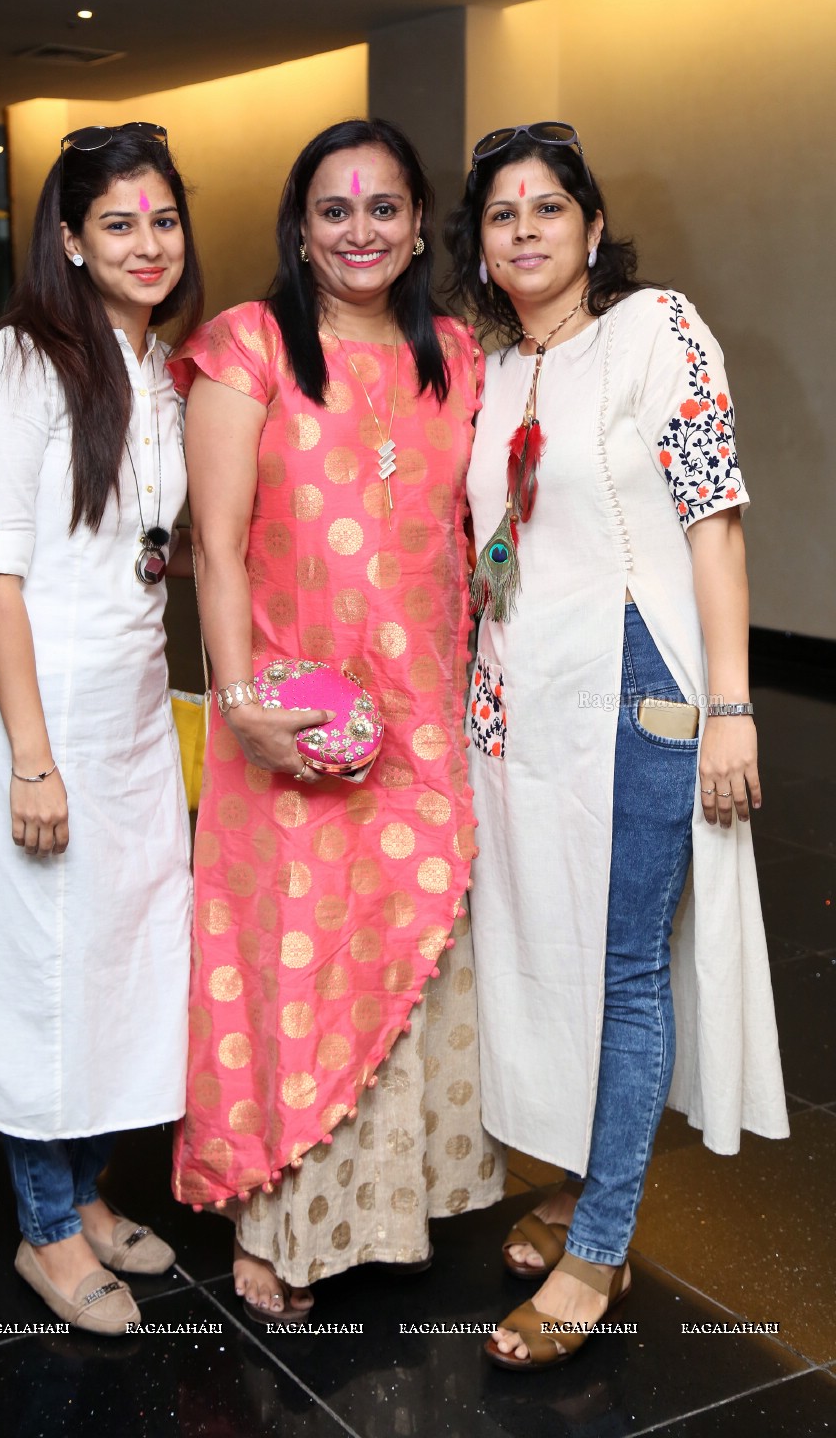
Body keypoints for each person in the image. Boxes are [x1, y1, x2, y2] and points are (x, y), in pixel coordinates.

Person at [444, 121, 789, 1370]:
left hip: (639, 694)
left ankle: (597, 1246)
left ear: (593, 229)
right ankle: (585, 1181)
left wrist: (732, 708)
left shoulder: (658, 332)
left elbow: (713, 523)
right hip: (518, 702)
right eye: (501, 213)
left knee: (623, 964)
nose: (527, 227)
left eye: (550, 206)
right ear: (478, 250)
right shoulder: (483, 371)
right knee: (543, 947)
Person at [172, 118, 504, 1321]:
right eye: (332, 210)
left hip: (423, 717)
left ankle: (389, 1212)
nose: (358, 230)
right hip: (291, 723)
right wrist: (239, 707)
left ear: (419, 226)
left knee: (400, 955)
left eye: (382, 209)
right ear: (300, 231)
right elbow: (211, 545)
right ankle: (274, 1218)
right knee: (294, 971)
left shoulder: (458, 355)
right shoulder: (248, 344)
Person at [0, 122, 204, 1333]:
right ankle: (45, 1230)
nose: (147, 245)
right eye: (118, 225)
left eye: (161, 220)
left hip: (135, 716)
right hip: (32, 711)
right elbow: (1, 577)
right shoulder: (20, 363)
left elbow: (151, 548)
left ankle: (88, 1192)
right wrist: (28, 760)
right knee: (37, 969)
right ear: (70, 240)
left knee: (120, 961)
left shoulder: (156, 369)